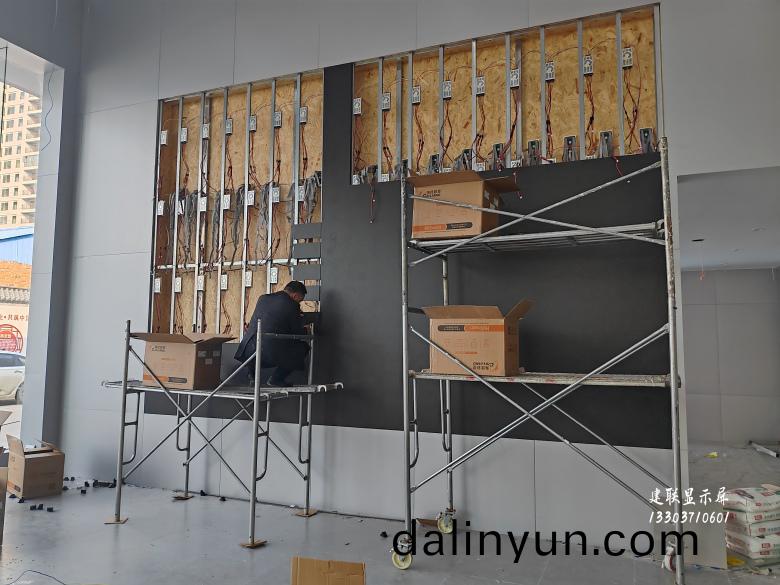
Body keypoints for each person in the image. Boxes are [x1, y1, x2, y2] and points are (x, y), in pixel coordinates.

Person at [235, 281, 310, 387]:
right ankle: (276, 379)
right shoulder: (292, 305)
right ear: (295, 295)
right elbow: (297, 333)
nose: (300, 303)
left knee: (258, 341)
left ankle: (252, 376)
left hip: (248, 352)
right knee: (303, 347)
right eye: (300, 300)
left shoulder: (263, 298)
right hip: (269, 354)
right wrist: (306, 329)